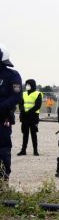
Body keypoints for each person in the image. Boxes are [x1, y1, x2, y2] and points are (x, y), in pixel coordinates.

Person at [0, 44, 22, 186]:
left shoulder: (12, 75)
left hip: (2, 119)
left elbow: (16, 96)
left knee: (2, 150)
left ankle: (3, 181)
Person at [17, 79, 42, 156]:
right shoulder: (23, 94)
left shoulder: (38, 94)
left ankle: (35, 151)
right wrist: (23, 111)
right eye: (26, 84)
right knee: (25, 134)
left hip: (33, 116)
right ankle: (23, 150)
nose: (27, 86)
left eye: (29, 84)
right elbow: (20, 104)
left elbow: (38, 105)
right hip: (24, 116)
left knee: (33, 134)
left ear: (32, 85)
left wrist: (28, 112)